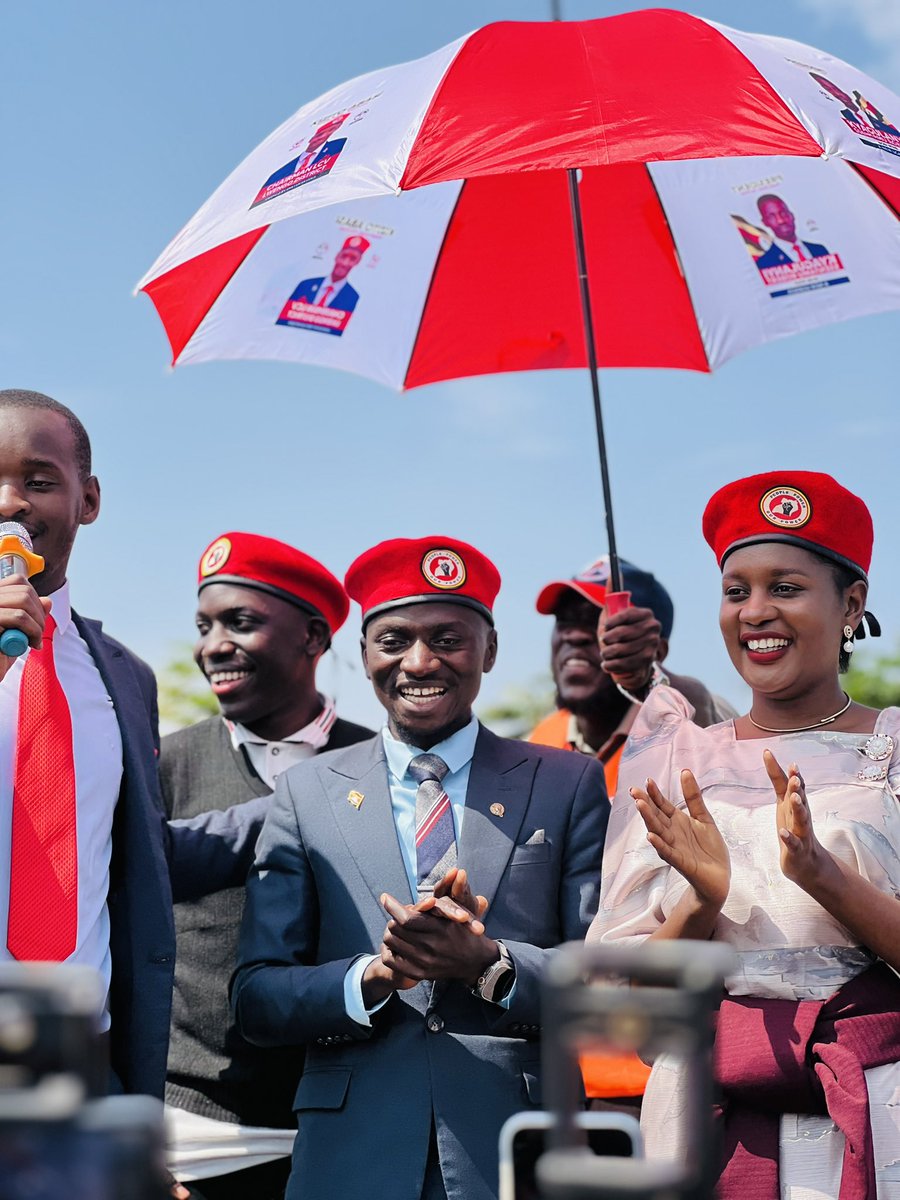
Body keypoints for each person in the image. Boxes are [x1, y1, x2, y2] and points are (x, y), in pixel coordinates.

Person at [231, 536, 609, 1200]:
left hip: (517, 1150)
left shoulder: (566, 782)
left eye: (447, 638)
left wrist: (488, 961)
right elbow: (258, 997)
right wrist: (372, 978)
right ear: (364, 653)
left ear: (489, 650)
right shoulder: (307, 793)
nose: (419, 661)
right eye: (394, 640)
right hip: (352, 1155)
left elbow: (602, 977)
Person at [590, 470, 900, 1199]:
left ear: (851, 604)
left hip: (876, 1106)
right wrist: (701, 900)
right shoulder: (671, 757)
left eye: (786, 588)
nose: (756, 612)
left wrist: (828, 878)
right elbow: (628, 1007)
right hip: (706, 1114)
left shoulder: (892, 750)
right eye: (737, 592)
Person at [0, 389, 263, 1102]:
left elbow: (134, 852)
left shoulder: (125, 678)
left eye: (38, 481)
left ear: (88, 501)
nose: (10, 504)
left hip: (80, 1063)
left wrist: (313, 795)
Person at [162, 533, 374, 1200]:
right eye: (204, 626)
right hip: (188, 1139)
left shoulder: (384, 766)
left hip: (347, 1126)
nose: (212, 645)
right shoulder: (163, 765)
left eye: (240, 622)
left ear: (314, 637)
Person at [530, 556, 733, 797]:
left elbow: (706, 721)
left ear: (656, 651)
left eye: (597, 620)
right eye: (565, 620)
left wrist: (647, 677)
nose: (574, 635)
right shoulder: (540, 741)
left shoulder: (686, 719)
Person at [754, 194, 829, 270]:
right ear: (765, 222)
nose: (781, 220)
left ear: (792, 215)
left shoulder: (820, 250)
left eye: (783, 213)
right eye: (771, 216)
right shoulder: (764, 263)